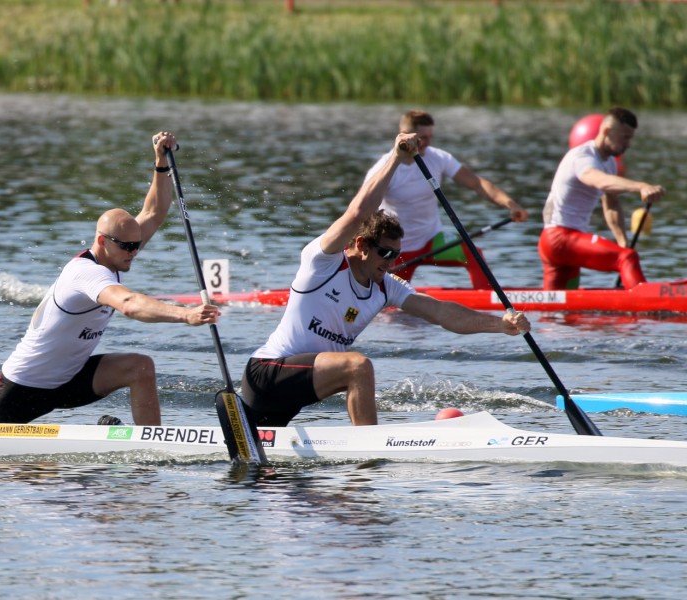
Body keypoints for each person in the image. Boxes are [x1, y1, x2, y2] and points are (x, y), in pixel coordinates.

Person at [241, 133, 530, 427]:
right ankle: (370, 454)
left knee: (274, 471)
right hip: (266, 374)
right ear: (362, 245)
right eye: (385, 253)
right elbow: (356, 214)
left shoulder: (386, 286)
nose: (391, 262)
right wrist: (396, 158)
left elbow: (442, 313)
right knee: (358, 366)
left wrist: (500, 325)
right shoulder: (323, 262)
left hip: (295, 392)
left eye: (396, 255)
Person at [0, 132, 219, 426]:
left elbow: (154, 212)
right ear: (103, 241)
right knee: (8, 471)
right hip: (24, 386)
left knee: (140, 367)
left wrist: (161, 164)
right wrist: (186, 315)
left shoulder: (118, 251)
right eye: (127, 247)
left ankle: (151, 445)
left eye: (136, 245)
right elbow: (129, 304)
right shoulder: (85, 273)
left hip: (70, 380)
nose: (134, 252)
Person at [364, 110, 528, 289]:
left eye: (430, 137)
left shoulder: (438, 158)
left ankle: (487, 303)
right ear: (404, 136)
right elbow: (363, 211)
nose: (427, 143)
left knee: (473, 253)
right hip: (398, 250)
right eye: (422, 138)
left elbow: (476, 183)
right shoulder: (384, 168)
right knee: (389, 304)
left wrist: (510, 204)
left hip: (432, 239)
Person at [538, 107, 666, 290]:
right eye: (625, 138)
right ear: (607, 131)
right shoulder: (582, 157)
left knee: (556, 307)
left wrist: (622, 241)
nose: (628, 144)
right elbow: (599, 181)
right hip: (561, 239)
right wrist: (641, 186)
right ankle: (649, 306)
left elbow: (611, 204)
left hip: (562, 245)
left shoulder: (610, 163)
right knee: (626, 259)